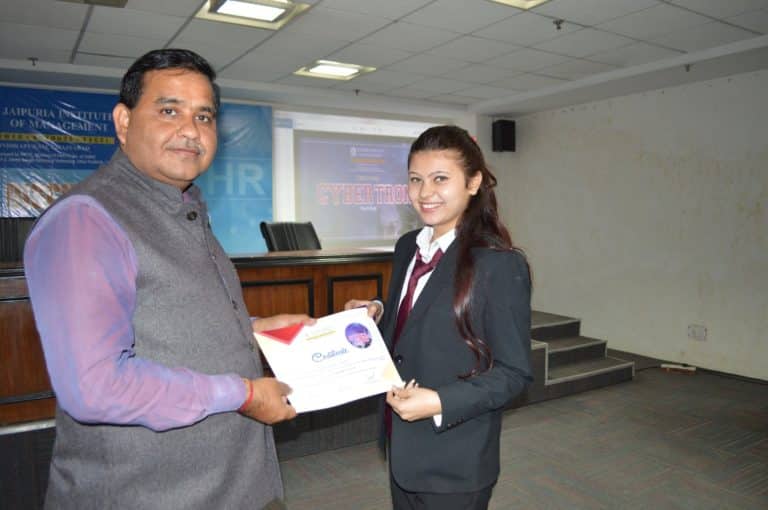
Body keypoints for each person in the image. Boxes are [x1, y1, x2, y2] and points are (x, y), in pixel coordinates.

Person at [24, 49, 312, 510]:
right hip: (145, 494)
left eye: (204, 116)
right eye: (169, 111)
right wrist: (243, 393)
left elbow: (161, 319)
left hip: (228, 484)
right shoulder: (86, 220)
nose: (191, 130)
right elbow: (96, 386)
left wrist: (255, 329)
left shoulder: (183, 207)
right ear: (123, 122)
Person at [347, 125, 532, 510]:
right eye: (415, 179)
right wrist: (378, 309)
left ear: (473, 182)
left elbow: (514, 373)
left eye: (440, 179)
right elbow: (417, 310)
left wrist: (440, 402)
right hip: (401, 444)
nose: (425, 192)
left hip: (456, 460)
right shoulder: (407, 246)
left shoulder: (499, 264)